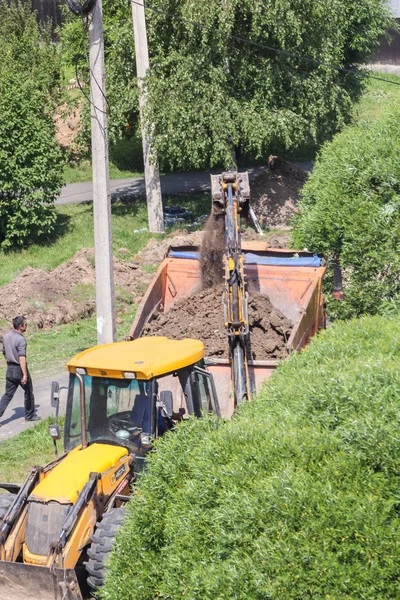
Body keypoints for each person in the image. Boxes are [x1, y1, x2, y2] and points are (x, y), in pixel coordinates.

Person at [0, 316, 40, 424]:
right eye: (25, 324)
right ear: (20, 326)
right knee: (28, 391)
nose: (26, 326)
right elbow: (22, 358)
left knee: (7, 394)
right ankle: (29, 415)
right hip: (19, 369)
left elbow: (4, 352)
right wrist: (25, 375)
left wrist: (10, 359)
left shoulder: (6, 337)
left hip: (9, 368)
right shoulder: (21, 339)